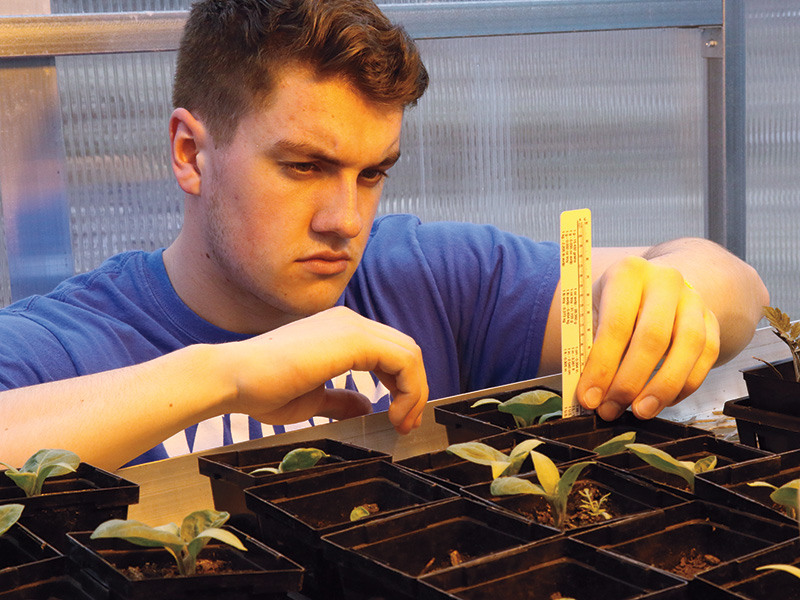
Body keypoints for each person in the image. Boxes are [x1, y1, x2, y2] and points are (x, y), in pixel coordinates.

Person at [0, 0, 768, 472]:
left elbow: (734, 289)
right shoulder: (68, 346)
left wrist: (683, 292)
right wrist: (227, 375)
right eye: (304, 166)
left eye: (373, 174)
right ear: (190, 153)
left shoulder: (423, 277)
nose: (346, 219)